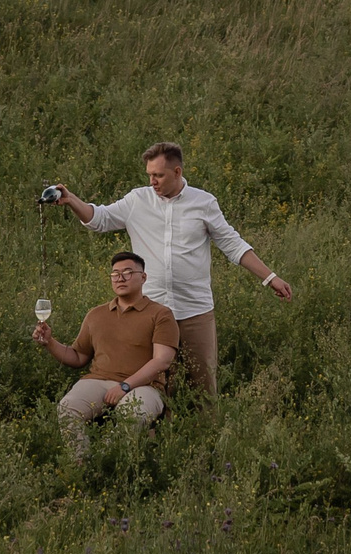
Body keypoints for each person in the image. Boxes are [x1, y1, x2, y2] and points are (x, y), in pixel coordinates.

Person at [45, 140, 292, 398]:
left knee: (202, 386)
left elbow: (232, 244)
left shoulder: (203, 203)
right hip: (151, 313)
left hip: (194, 310)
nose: (152, 181)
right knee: (157, 386)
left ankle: (204, 435)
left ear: (177, 172)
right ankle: (158, 436)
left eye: (158, 175)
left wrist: (270, 278)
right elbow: (99, 219)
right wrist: (71, 199)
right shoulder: (137, 200)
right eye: (150, 174)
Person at [35, 252, 179, 455]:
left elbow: (162, 361)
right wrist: (49, 342)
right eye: (115, 274)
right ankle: (81, 464)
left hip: (145, 386)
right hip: (98, 380)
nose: (120, 278)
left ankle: (105, 461)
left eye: (128, 273)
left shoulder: (160, 314)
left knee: (132, 414)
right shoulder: (96, 314)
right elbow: (77, 357)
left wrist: (125, 385)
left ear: (143, 277)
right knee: (67, 408)